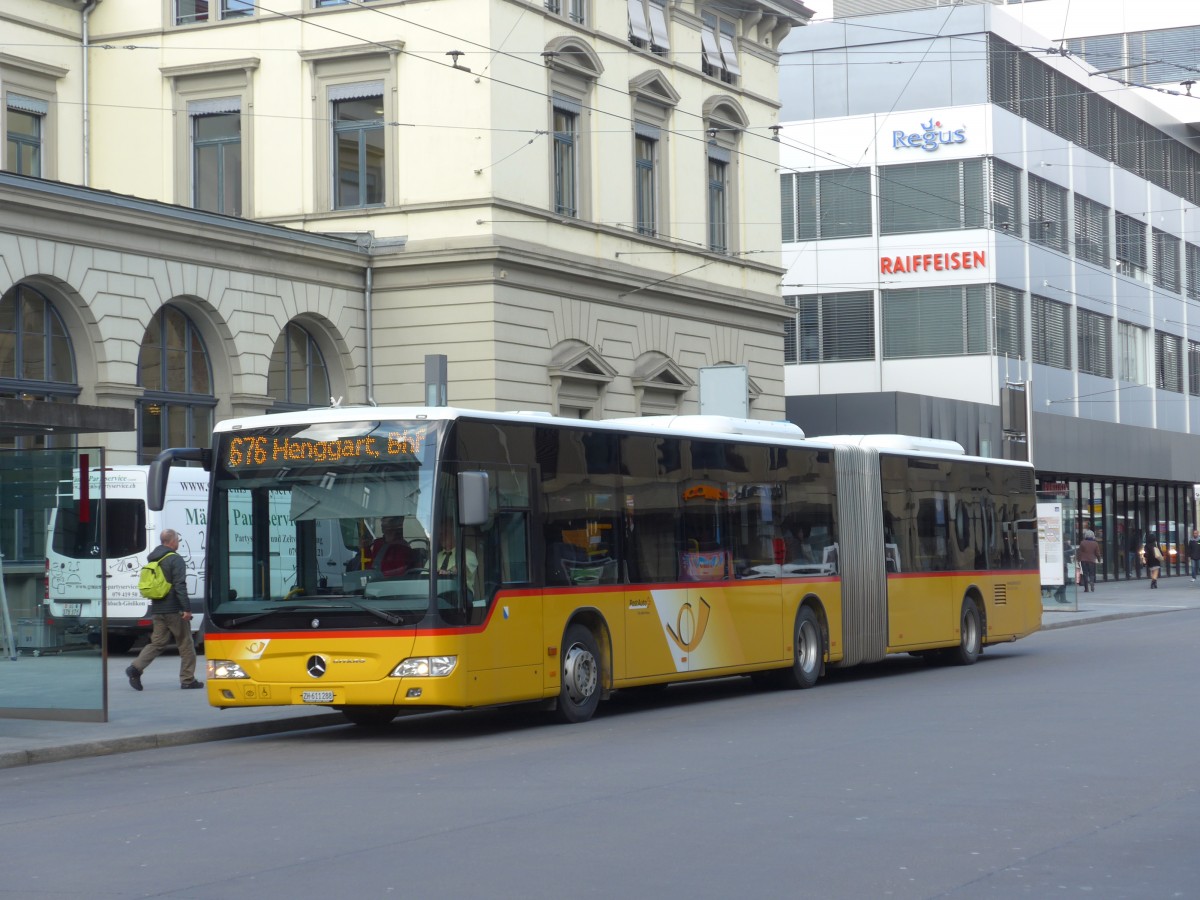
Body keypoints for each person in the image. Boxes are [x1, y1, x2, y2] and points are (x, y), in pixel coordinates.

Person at [126, 528, 202, 691]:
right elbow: (180, 585)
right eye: (177, 540)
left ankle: (135, 668)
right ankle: (188, 680)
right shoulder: (175, 559)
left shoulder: (153, 558)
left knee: (158, 643)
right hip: (174, 610)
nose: (178, 543)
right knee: (186, 644)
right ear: (172, 541)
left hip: (158, 609)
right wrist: (186, 609)